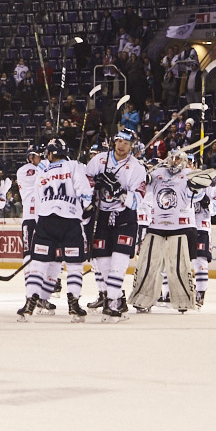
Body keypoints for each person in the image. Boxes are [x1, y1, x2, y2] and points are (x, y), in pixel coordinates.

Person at [16, 138, 93, 323]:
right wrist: (86, 210)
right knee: (74, 266)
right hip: (70, 221)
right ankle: (74, 305)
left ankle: (29, 304)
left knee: (38, 265)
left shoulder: (41, 173)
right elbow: (85, 193)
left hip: (45, 222)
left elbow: (38, 200)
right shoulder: (75, 166)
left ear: (50, 154)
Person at [129, 149, 206, 314]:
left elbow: (198, 197)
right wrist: (144, 174)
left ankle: (183, 300)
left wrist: (197, 186)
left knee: (179, 266)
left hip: (178, 227)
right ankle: (143, 299)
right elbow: (143, 187)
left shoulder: (189, 174)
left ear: (184, 160)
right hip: (156, 225)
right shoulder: (158, 172)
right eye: (172, 158)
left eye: (178, 158)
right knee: (147, 264)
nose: (174, 161)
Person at [84, 128, 147, 319]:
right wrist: (95, 184)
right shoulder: (99, 161)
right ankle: (118, 297)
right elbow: (83, 184)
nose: (121, 146)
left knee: (119, 263)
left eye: (126, 143)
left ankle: (111, 302)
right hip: (101, 216)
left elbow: (138, 201)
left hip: (125, 218)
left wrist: (119, 191)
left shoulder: (137, 168)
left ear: (131, 146)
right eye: (119, 141)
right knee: (102, 263)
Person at [15, 145, 54, 313]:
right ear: (31, 157)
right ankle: (30, 295)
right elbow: (42, 175)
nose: (42, 158)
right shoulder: (26, 170)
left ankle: (43, 296)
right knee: (29, 255)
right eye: (39, 156)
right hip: (31, 218)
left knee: (46, 257)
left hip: (45, 217)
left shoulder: (42, 168)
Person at [192, 170, 216, 307]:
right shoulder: (181, 179)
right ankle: (169, 293)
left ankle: (200, 293)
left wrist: (207, 203)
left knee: (200, 259)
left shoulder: (209, 184)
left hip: (201, 226)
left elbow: (215, 209)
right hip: (182, 225)